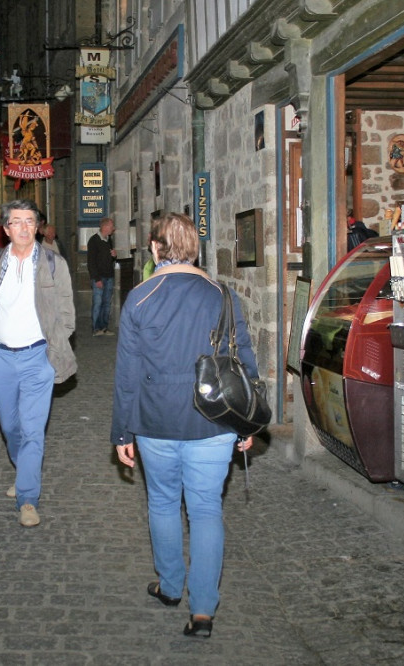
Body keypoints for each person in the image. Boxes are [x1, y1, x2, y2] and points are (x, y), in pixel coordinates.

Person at [111, 212, 257, 640]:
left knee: (161, 503)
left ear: (155, 250)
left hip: (156, 418)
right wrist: (247, 422)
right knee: (207, 510)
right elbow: (244, 360)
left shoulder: (140, 298)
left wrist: (122, 432)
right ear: (195, 250)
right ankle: (204, 609)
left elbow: (126, 375)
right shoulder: (223, 296)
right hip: (214, 420)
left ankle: (171, 586)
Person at [0, 199, 77, 528]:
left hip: (37, 357)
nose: (23, 228)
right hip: (0, 357)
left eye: (29, 221)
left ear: (37, 226)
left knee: (33, 431)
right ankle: (24, 475)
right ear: (6, 229)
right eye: (16, 222)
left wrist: (51, 355)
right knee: (10, 427)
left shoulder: (53, 264)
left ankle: (28, 498)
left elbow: (67, 316)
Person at [87, 217, 116, 336]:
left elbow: (109, 258)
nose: (113, 229)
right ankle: (95, 328)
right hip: (99, 277)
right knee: (98, 302)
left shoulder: (109, 240)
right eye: (111, 226)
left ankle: (104, 327)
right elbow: (91, 262)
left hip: (109, 276)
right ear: (105, 227)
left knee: (106, 303)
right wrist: (96, 278)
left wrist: (114, 256)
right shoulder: (94, 240)